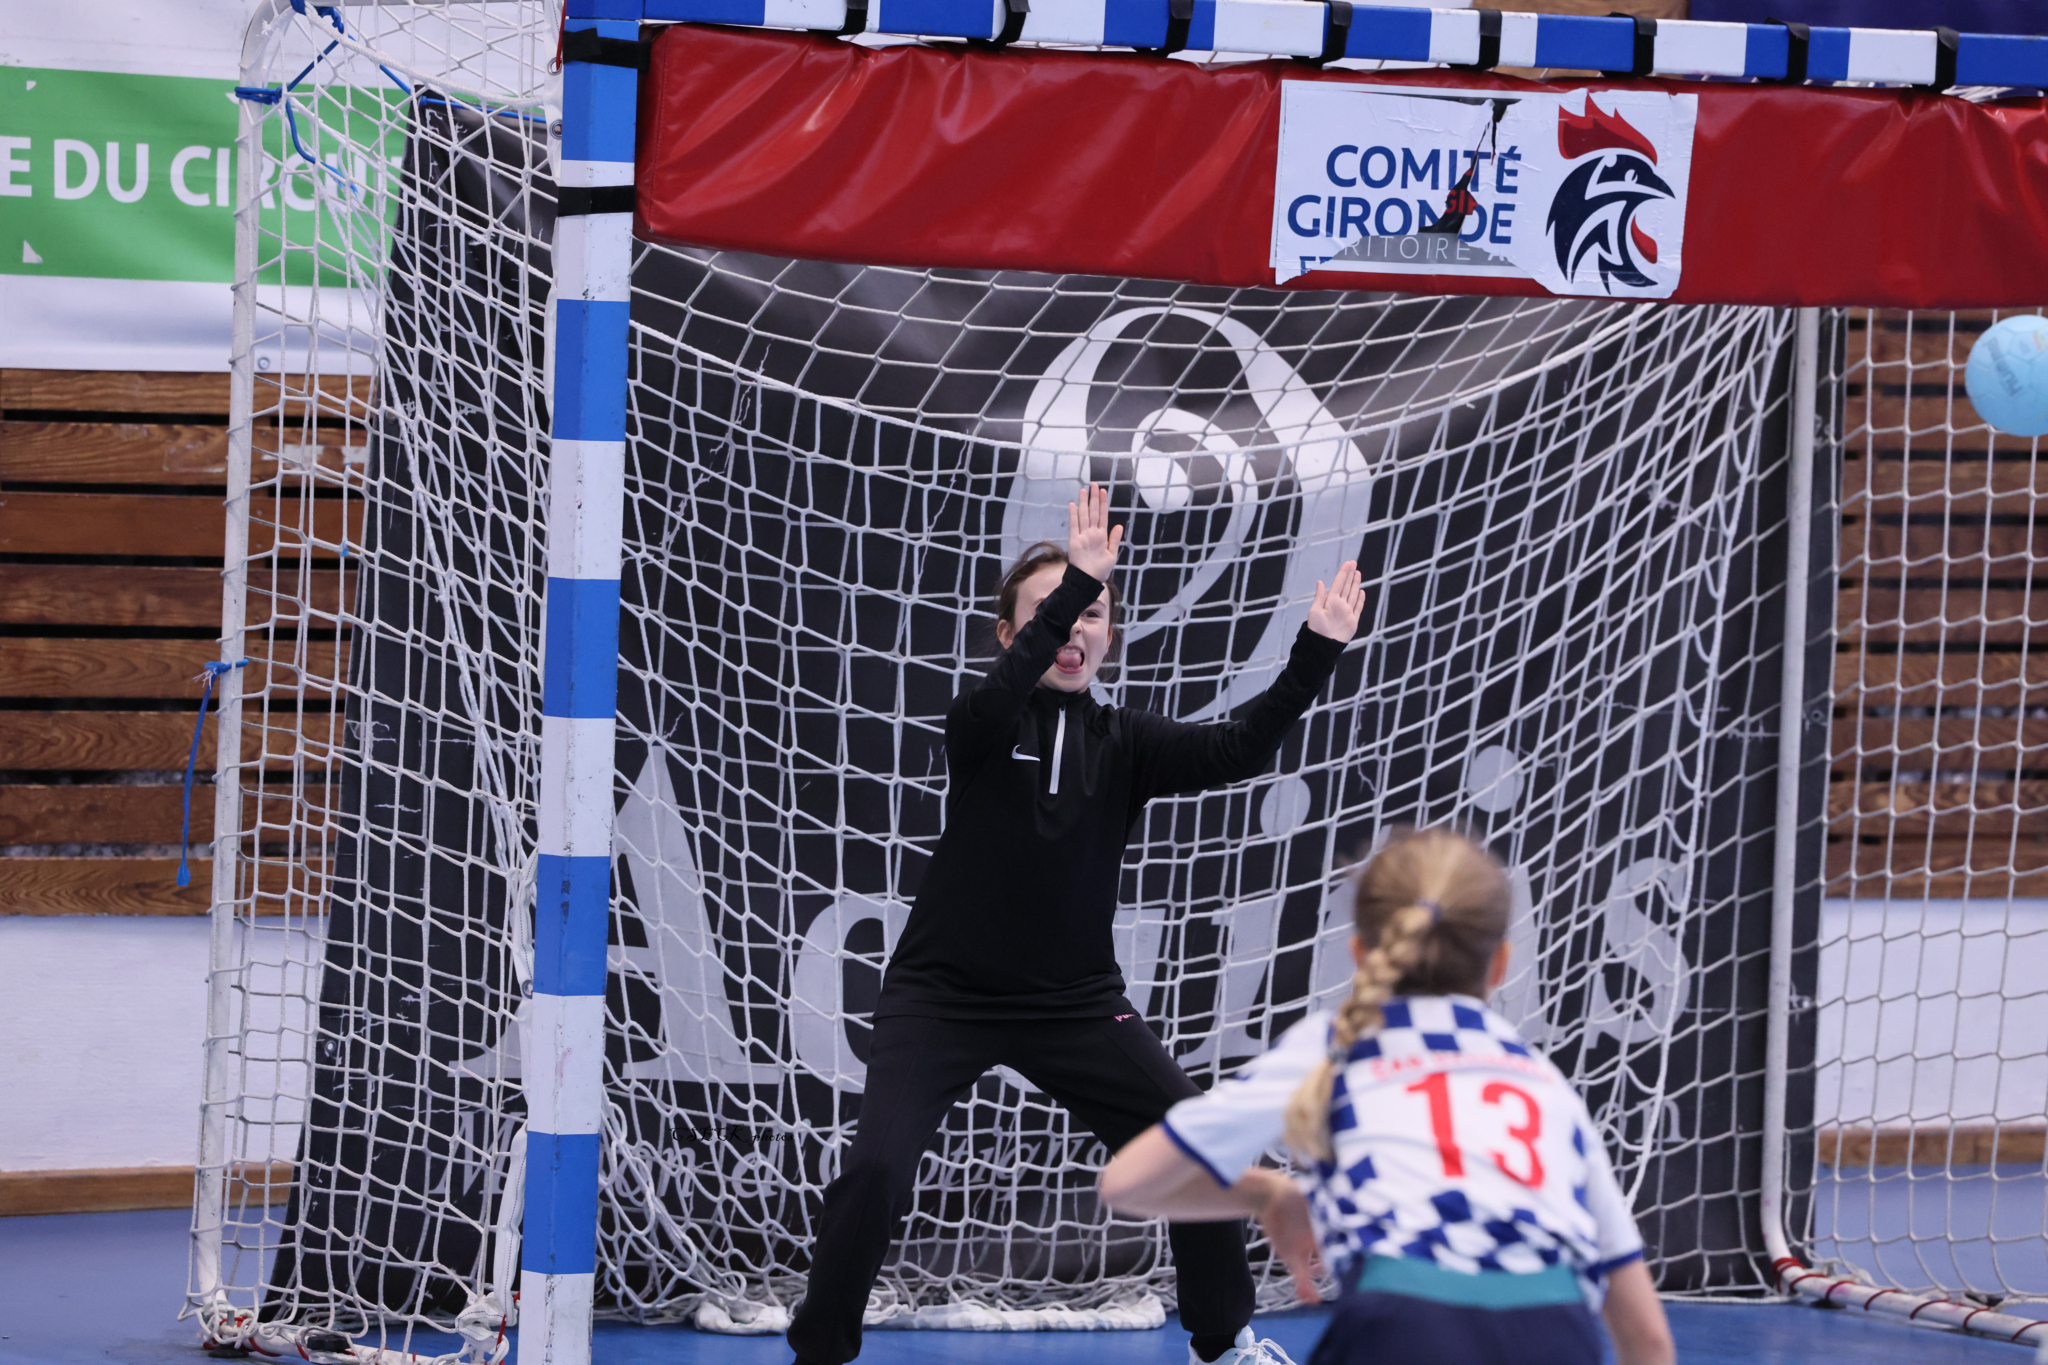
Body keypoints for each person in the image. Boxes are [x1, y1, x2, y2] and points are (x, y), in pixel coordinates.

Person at [787, 484, 1367, 1365]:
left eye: (1094, 613)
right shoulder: (981, 722)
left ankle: (1223, 1345)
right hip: (941, 997)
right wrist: (1076, 582)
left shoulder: (1124, 740)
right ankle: (819, 1354)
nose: (1077, 626)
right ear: (1010, 634)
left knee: (1200, 1145)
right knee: (874, 1171)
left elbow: (1238, 748)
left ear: (1110, 636)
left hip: (1074, 1002)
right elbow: (998, 696)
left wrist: (1316, 650)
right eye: (1056, 611)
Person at [1097, 828, 1677, 1365]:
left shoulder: (1330, 1046)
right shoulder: (1542, 1082)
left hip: (1402, 1319)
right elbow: (1647, 1338)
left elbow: (1128, 1184)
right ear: (1501, 963)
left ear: (1358, 953)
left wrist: (1267, 1193)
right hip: (1555, 1326)